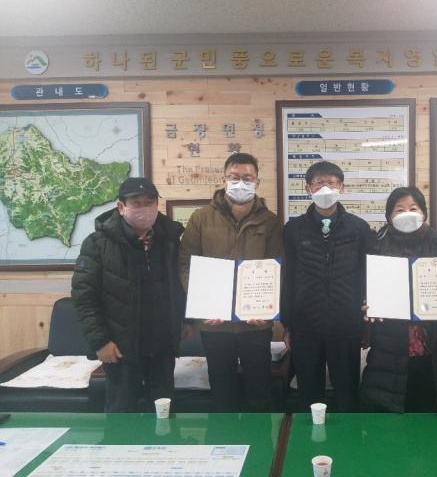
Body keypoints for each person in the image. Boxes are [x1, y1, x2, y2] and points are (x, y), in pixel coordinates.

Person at [178, 153, 283, 412]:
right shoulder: (201, 218)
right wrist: (203, 305)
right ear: (224, 179)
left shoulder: (270, 221)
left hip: (255, 325)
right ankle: (223, 439)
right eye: (234, 177)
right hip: (214, 325)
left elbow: (278, 269)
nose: (241, 183)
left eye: (247, 178)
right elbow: (185, 265)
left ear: (257, 181)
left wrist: (266, 310)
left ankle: (259, 439)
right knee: (222, 394)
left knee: (259, 393)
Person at [72, 177, 186, 412]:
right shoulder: (97, 243)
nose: (144, 208)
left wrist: (186, 321)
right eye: (136, 203)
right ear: (121, 207)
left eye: (149, 202)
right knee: (121, 414)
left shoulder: (170, 240)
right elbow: (84, 297)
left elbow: (181, 284)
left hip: (162, 346)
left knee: (163, 413)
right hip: (120, 348)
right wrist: (100, 342)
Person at [360, 186, 437, 413]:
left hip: (436, 351)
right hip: (389, 351)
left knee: (435, 421)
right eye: (399, 210)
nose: (406, 214)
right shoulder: (375, 248)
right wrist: (367, 303)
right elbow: (362, 289)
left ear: (424, 213)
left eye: (413, 208)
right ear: (389, 216)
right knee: (390, 425)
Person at [281, 160, 374, 412]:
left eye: (331, 183)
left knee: (347, 394)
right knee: (308, 395)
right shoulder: (293, 229)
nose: (325, 188)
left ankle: (348, 436)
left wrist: (366, 325)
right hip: (305, 325)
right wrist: (287, 324)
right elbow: (287, 278)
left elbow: (368, 276)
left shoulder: (359, 228)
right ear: (308, 189)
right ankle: (309, 436)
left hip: (346, 324)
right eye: (319, 183)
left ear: (342, 187)